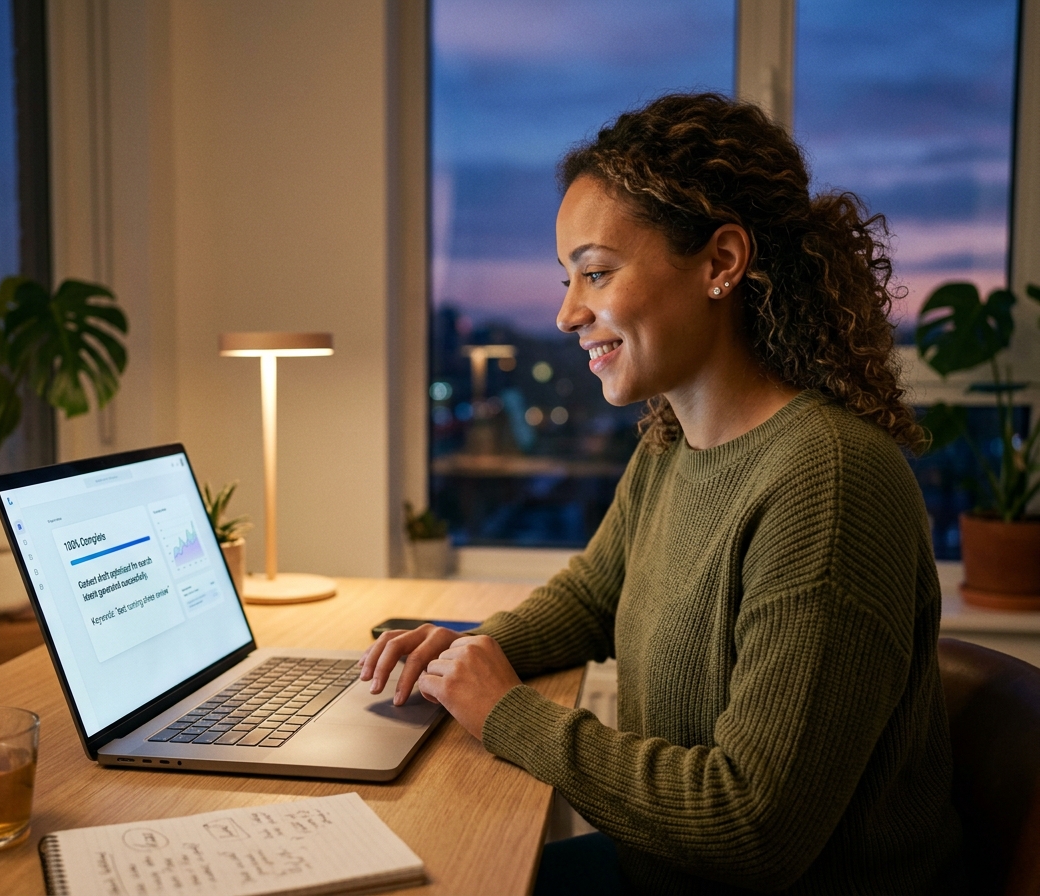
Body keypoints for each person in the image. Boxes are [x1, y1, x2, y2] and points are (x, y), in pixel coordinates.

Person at [361, 92, 963, 894]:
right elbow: (593, 595)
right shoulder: (674, 445)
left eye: (596, 273)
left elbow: (753, 825)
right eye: (568, 278)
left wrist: (506, 712)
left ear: (721, 263)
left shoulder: (830, 481)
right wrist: (472, 651)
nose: (568, 312)